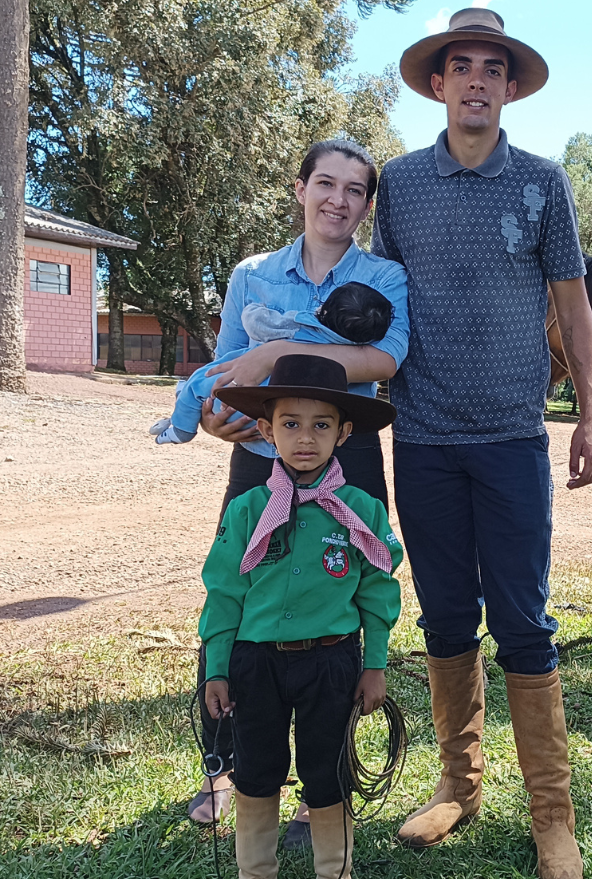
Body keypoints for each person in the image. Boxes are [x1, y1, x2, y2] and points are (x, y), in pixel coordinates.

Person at [369, 9, 592, 879]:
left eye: (491, 68)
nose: (475, 79)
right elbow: (376, 298)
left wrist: (588, 412)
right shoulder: (398, 183)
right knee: (444, 615)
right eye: (460, 65)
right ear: (438, 84)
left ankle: (553, 816)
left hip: (511, 439)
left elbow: (574, 306)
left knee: (525, 620)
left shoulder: (544, 183)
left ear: (510, 87)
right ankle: (459, 786)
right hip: (423, 438)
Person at [186, 140, 409, 850]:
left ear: (367, 205)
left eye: (354, 190)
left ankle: (327, 771)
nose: (337, 200)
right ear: (300, 188)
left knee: (342, 596)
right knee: (241, 585)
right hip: (260, 455)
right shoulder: (252, 275)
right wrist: (221, 417)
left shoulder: (384, 277)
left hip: (350, 457)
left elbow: (384, 358)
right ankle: (225, 767)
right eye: (325, 183)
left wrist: (278, 358)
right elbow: (228, 370)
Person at [199, 353, 403, 879]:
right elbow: (224, 594)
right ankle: (255, 871)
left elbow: (377, 591)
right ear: (266, 430)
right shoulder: (247, 510)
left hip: (331, 664)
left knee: (328, 772)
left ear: (345, 432)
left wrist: (374, 663)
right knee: (257, 769)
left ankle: (335, 870)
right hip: (255, 664)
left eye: (321, 425)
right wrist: (217, 668)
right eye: (290, 424)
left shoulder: (363, 510)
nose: (305, 438)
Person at [151, 282, 393, 444]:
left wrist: (256, 308)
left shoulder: (302, 323)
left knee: (201, 382)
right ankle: (180, 411)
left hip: (238, 402)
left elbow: (256, 322)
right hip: (272, 422)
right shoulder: (352, 349)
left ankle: (180, 430)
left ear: (325, 310)